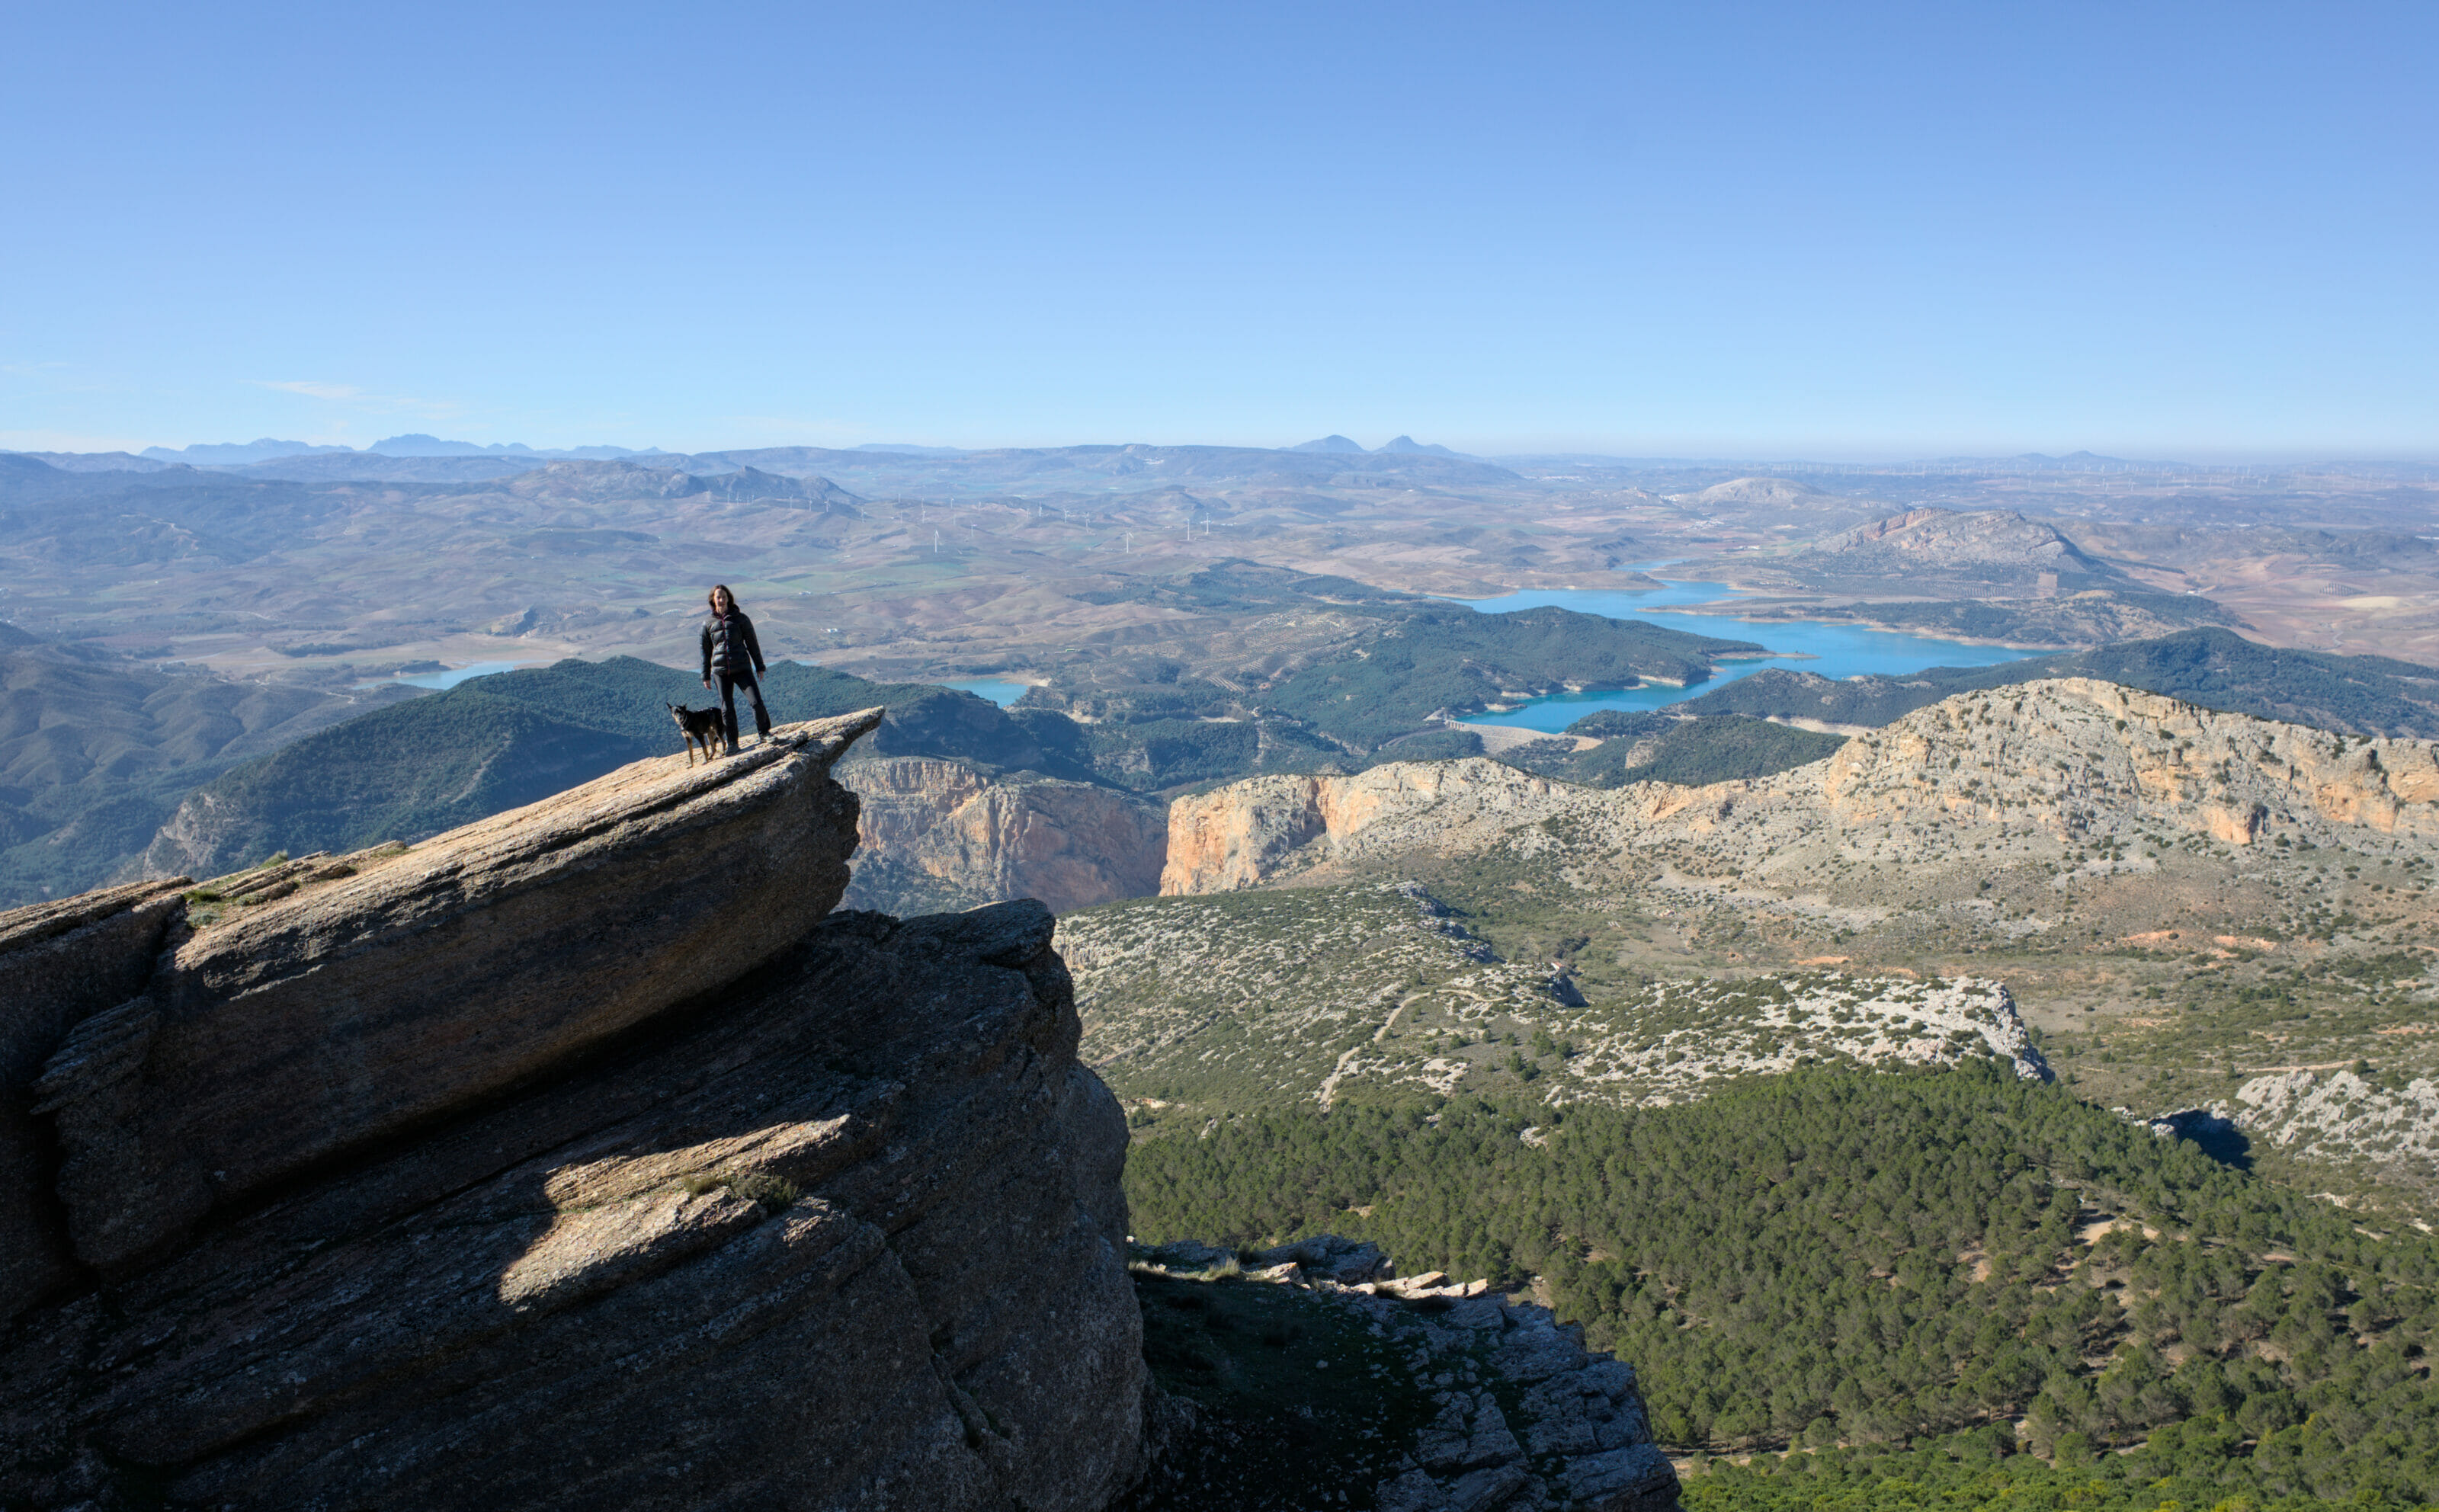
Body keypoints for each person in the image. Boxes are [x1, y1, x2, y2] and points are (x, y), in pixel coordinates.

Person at [699, 584, 772, 754]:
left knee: (756, 702)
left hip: (742, 668)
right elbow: (705, 651)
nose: (722, 600)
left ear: (729, 599)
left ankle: (764, 733)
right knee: (727, 708)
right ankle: (732, 743)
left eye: (724, 597)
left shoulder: (741, 619)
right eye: (718, 597)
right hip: (720, 672)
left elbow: (752, 643)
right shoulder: (708, 624)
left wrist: (759, 666)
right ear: (713, 600)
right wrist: (705, 676)